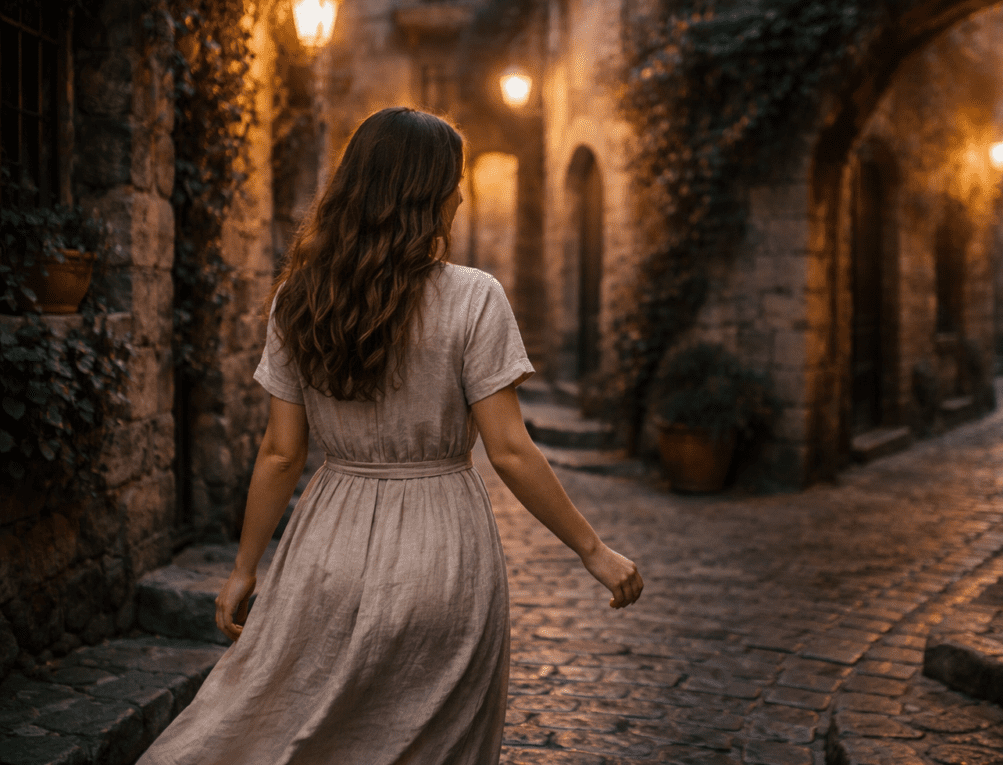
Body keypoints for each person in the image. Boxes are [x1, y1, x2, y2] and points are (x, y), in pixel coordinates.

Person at [137, 107, 643, 765]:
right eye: (454, 180)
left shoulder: (298, 298)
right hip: (444, 555)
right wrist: (593, 551)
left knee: (288, 731)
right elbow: (510, 450)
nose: (462, 193)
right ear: (430, 193)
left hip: (326, 550)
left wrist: (243, 570)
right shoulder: (475, 297)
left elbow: (282, 452)